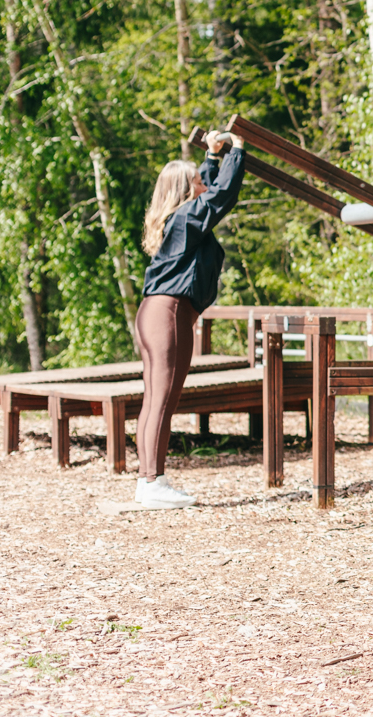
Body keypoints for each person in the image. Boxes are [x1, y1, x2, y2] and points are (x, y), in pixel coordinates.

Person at [132, 131, 245, 508]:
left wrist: (213, 158)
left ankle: (148, 480)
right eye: (197, 179)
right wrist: (237, 153)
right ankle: (153, 482)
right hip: (169, 314)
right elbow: (222, 196)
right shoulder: (186, 218)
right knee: (162, 399)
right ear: (185, 190)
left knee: (155, 399)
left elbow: (212, 190)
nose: (203, 183)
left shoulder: (181, 221)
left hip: (157, 311)